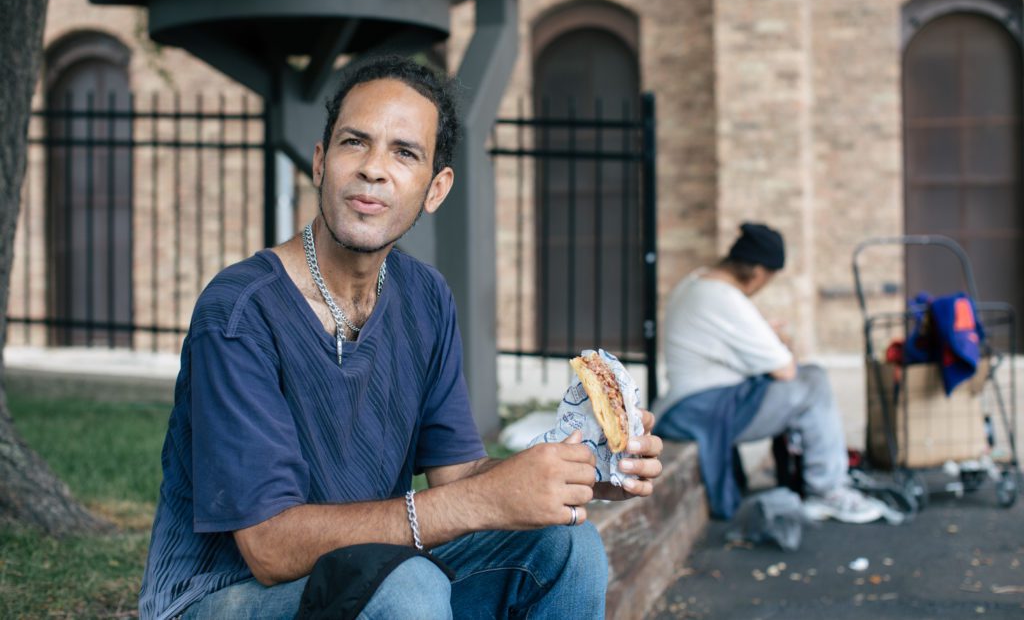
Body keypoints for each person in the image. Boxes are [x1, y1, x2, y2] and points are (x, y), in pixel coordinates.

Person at [138, 55, 664, 620]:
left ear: (435, 189)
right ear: (320, 163)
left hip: (374, 578)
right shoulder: (240, 311)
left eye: (404, 152)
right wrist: (478, 501)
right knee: (404, 585)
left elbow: (461, 479)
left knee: (566, 545)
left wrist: (574, 474)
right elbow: (268, 548)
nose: (373, 169)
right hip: (222, 596)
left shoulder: (424, 296)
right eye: (353, 143)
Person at [652, 222, 881, 524]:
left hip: (689, 403)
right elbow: (785, 369)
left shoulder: (695, 283)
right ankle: (827, 490)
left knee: (808, 379)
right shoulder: (724, 297)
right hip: (702, 411)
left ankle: (818, 476)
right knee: (812, 382)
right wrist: (779, 340)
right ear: (759, 273)